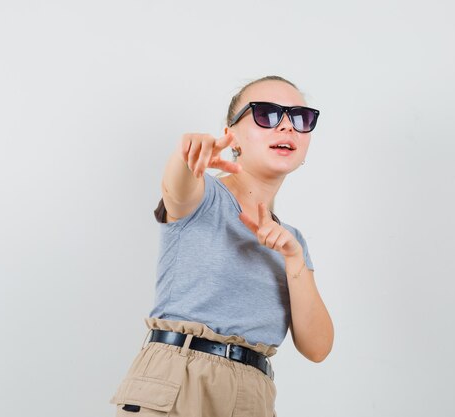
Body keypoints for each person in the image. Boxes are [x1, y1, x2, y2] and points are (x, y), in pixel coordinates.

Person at [109, 75, 334, 417]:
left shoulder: (291, 240)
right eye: (267, 114)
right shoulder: (205, 196)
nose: (287, 128)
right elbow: (177, 189)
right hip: (179, 379)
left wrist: (294, 259)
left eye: (300, 118)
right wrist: (187, 158)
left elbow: (318, 348)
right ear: (233, 134)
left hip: (252, 393)